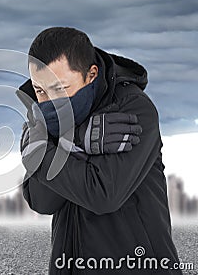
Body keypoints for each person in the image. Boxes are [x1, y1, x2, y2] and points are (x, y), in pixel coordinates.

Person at [16, 27, 182, 274]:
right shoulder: (47, 122)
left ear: (91, 74)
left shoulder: (134, 110)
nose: (49, 102)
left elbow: (104, 195)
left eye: (60, 89)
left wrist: (44, 149)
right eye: (40, 90)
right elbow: (42, 202)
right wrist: (78, 140)